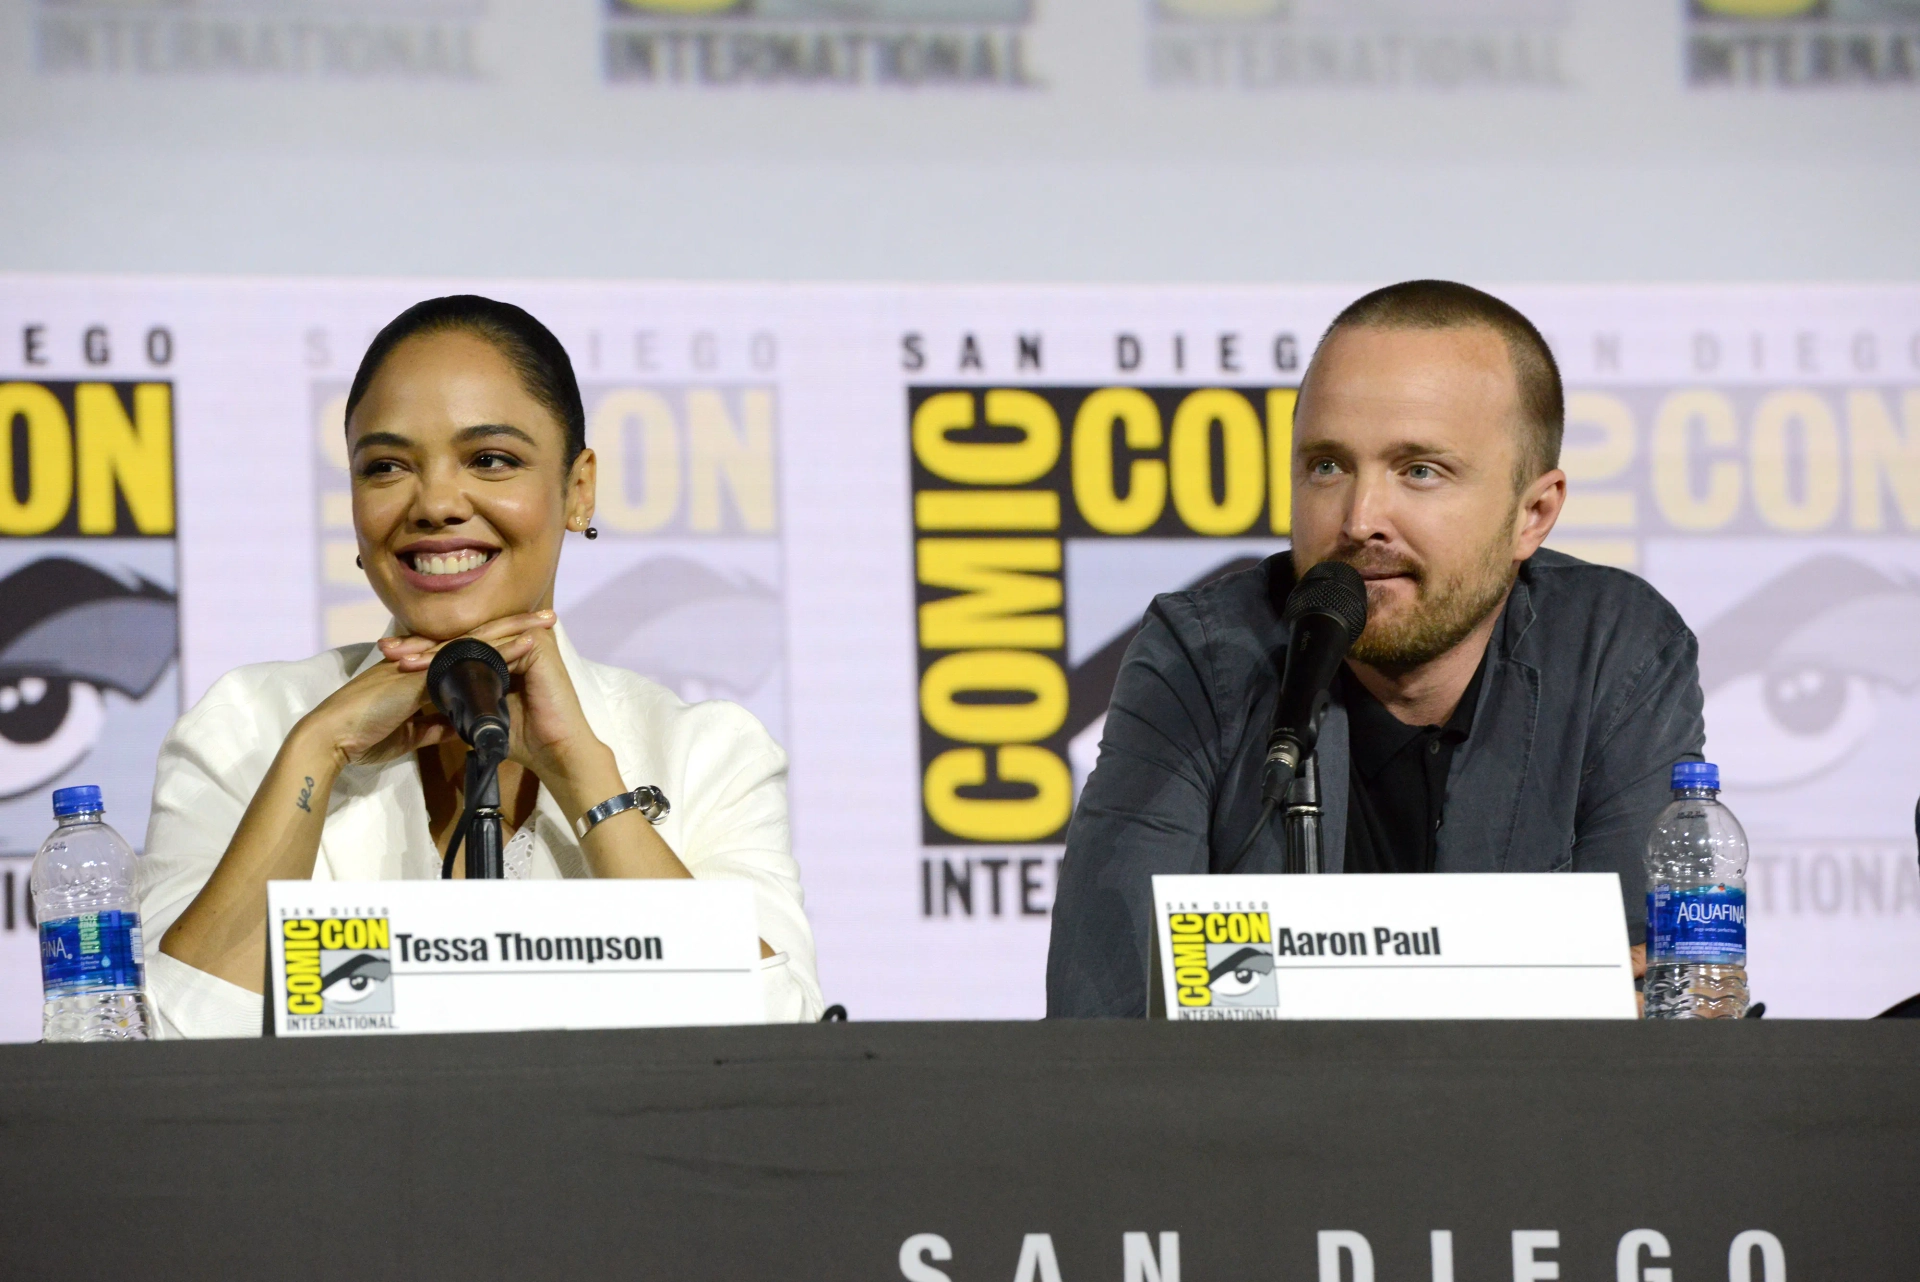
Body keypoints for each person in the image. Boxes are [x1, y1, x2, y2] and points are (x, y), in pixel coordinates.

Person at [142, 295, 823, 1036]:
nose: (434, 503)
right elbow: (170, 1045)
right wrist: (319, 749)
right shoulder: (247, 726)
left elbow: (779, 1041)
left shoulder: (708, 754)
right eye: (387, 466)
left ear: (577, 487)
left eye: (491, 460)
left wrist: (585, 775)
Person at [1047, 280, 1704, 1018]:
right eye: (1327, 466)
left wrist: (1270, 979)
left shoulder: (1614, 650)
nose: (1360, 520)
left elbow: (1656, 1020)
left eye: (1420, 470)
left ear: (1534, 514)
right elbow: (1106, 1006)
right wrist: (1528, 977)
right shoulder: (1201, 657)